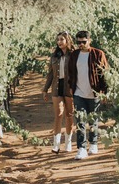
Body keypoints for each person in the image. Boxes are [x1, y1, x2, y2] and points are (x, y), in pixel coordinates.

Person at [65, 30, 108, 159]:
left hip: (94, 92)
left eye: (84, 42)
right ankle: (82, 148)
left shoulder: (98, 54)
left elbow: (105, 74)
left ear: (89, 41)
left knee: (93, 120)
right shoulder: (74, 55)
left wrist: (104, 92)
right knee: (80, 120)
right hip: (78, 92)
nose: (81, 45)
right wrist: (71, 87)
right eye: (78, 42)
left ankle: (93, 143)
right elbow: (71, 72)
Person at [41, 31, 75, 153]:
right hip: (57, 86)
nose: (59, 42)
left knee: (69, 115)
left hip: (69, 87)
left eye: (62, 39)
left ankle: (68, 143)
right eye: (58, 40)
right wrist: (45, 89)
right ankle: (56, 145)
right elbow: (50, 74)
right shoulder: (54, 56)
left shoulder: (73, 55)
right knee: (58, 114)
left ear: (67, 41)